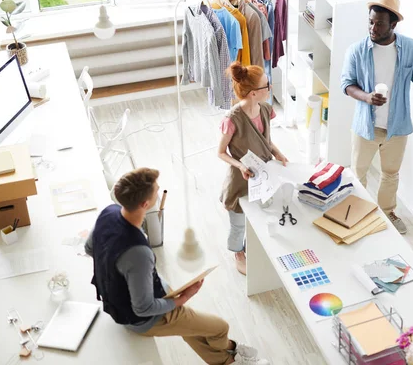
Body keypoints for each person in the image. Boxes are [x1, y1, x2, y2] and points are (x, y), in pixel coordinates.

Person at [85, 168, 269, 365]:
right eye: (156, 190)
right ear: (146, 204)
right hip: (144, 318)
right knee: (219, 328)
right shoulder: (138, 252)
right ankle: (230, 350)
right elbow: (143, 308)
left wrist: (119, 270)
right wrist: (184, 298)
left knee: (192, 329)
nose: (159, 191)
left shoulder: (108, 213)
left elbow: (89, 248)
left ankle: (229, 362)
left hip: (123, 301)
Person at [340, 0, 413, 234]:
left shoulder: (410, 48)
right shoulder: (357, 50)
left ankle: (387, 213)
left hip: (397, 127)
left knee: (391, 174)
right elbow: (346, 84)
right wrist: (367, 97)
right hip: (365, 125)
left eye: (379, 24)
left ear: (393, 25)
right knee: (358, 174)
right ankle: (358, 214)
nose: (373, 28)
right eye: (371, 22)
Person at [218, 62, 288, 275]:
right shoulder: (232, 119)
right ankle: (238, 253)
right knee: (238, 220)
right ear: (253, 93)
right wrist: (239, 165)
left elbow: (266, 140)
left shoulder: (266, 109)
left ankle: (251, 246)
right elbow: (220, 152)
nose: (270, 88)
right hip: (241, 179)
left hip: (263, 174)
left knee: (258, 214)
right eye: (267, 86)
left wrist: (277, 153)